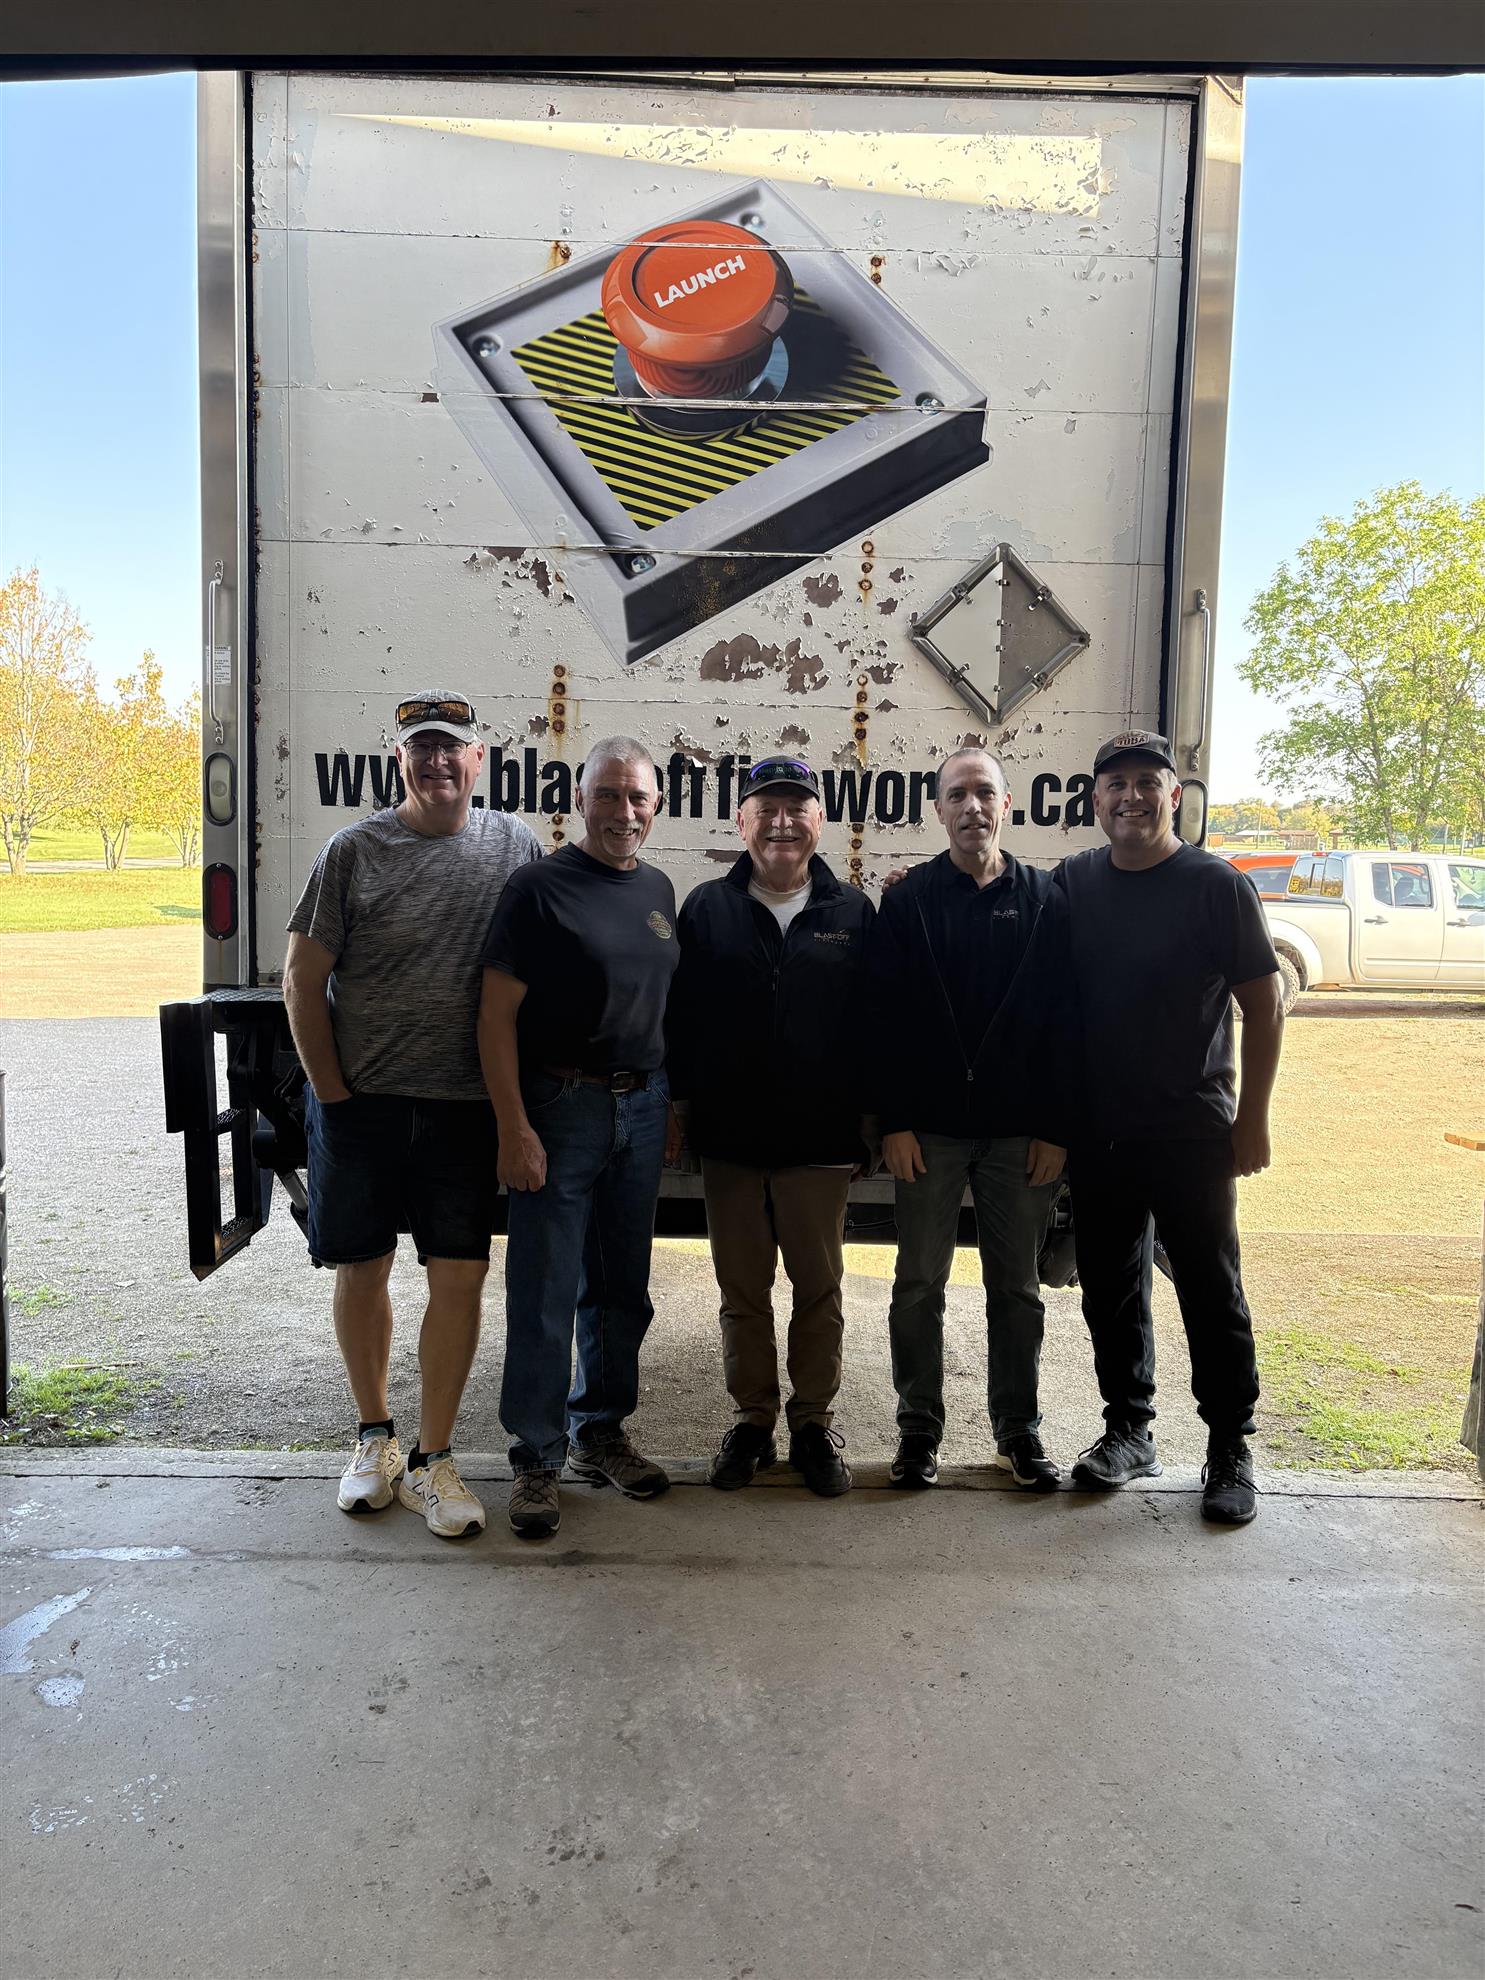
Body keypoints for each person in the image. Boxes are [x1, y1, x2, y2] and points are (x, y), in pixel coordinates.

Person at [283, 690, 541, 1537]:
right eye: (420, 748)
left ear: (479, 760)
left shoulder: (514, 844)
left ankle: (433, 1459)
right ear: (398, 760)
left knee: (458, 1277)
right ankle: (374, 1439)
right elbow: (301, 979)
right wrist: (331, 1095)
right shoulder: (353, 851)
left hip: (465, 1108)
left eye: (451, 747)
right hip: (363, 1105)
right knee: (362, 1266)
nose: (437, 761)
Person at [1058, 729, 1284, 1525]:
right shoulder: (1073, 881)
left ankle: (1229, 1446)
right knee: (1109, 1289)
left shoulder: (1215, 885)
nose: (1131, 797)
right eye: (1115, 784)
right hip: (1099, 1132)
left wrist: (1251, 1120)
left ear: (1173, 797)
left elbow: (1264, 1006)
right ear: (1095, 801)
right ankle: (1129, 1430)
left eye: (1146, 783)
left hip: (1193, 1131)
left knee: (1210, 1288)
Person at [478, 736, 678, 1540]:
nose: (622, 812)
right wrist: (512, 1125)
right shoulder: (537, 889)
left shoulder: (658, 890)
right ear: (578, 800)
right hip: (560, 1107)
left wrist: (666, 1107)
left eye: (636, 797)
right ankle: (535, 1456)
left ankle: (601, 1431)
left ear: (655, 805)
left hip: (642, 1106)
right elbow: (494, 1017)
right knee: (545, 1288)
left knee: (621, 1286)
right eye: (607, 795)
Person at [667, 756, 876, 1497]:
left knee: (818, 1291)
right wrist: (681, 1110)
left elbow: (875, 1027)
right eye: (766, 809)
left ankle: (813, 1424)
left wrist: (870, 1125)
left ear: (820, 821)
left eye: (797, 808)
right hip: (731, 1141)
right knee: (743, 1293)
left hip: (818, 1143)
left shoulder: (852, 913)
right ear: (741, 823)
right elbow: (681, 1020)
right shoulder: (706, 908)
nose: (782, 823)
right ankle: (753, 1422)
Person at [865, 745, 1072, 1493]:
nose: (971, 807)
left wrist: (1055, 1128)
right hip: (927, 1134)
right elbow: (883, 1021)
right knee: (918, 1283)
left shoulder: (1046, 899)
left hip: (1020, 1137)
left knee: (1015, 1289)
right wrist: (893, 1122)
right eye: (956, 795)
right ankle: (918, 1430)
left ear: (1006, 805)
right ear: (938, 810)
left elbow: (1065, 1023)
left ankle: (1017, 1431)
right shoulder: (909, 901)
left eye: (984, 792)